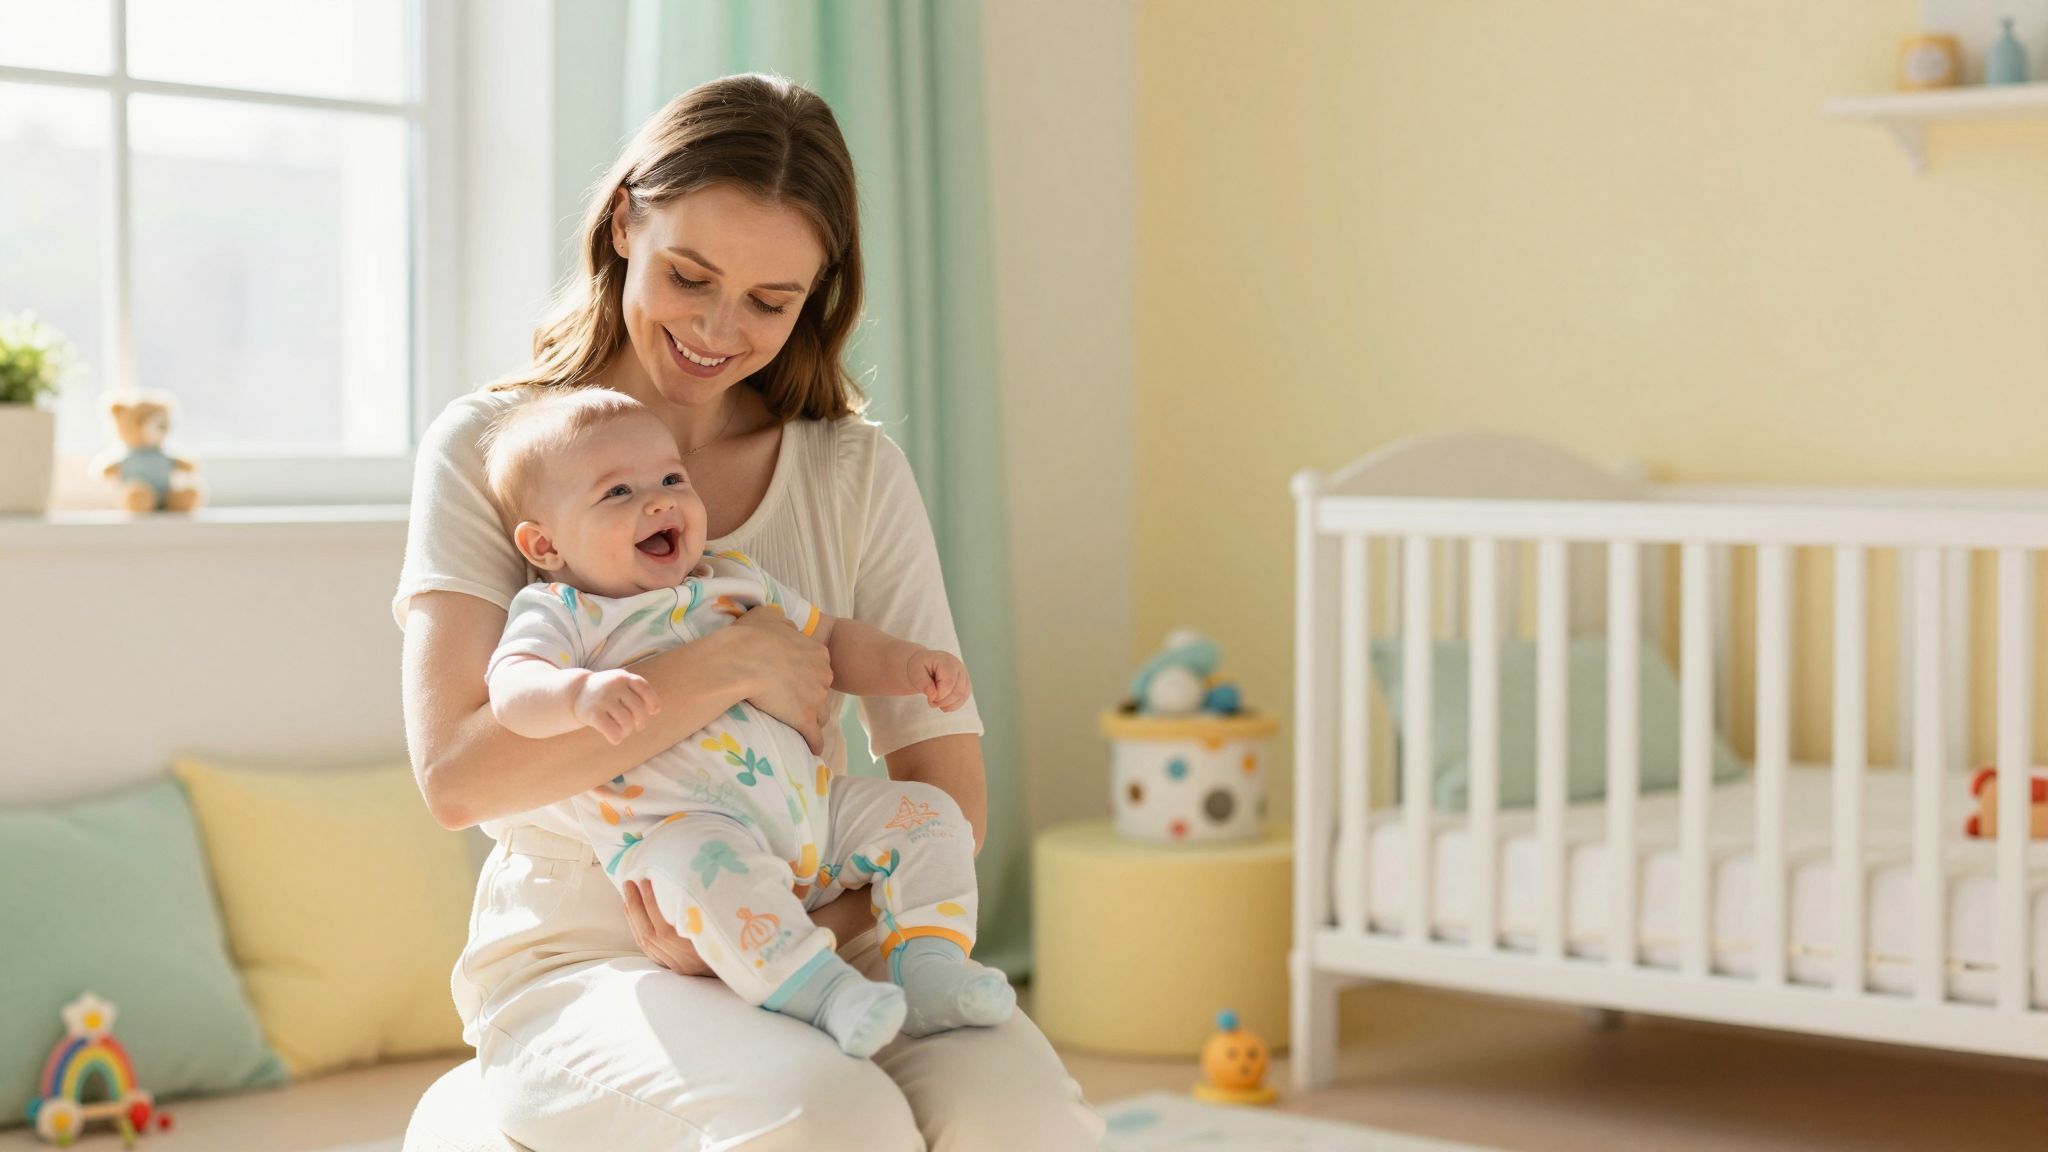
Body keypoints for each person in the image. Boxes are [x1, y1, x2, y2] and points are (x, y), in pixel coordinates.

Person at [395, 72, 1101, 1148]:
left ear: (817, 294)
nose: (720, 329)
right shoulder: (498, 453)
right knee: (830, 1120)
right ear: (626, 219)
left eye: (771, 302)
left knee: (1025, 1121)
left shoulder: (852, 470)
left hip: (831, 920)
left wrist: (780, 929)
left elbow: (944, 784)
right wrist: (730, 665)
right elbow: (459, 775)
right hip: (589, 946)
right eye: (689, 275)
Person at [479, 387, 1014, 1057]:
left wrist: (907, 665)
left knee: (932, 816)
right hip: (685, 831)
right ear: (545, 543)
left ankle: (932, 968)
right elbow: (511, 685)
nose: (660, 500)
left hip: (817, 808)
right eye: (618, 493)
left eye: (673, 477)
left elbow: (832, 639)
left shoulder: (734, 579)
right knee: (716, 878)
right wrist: (576, 694)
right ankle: (825, 994)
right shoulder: (565, 613)